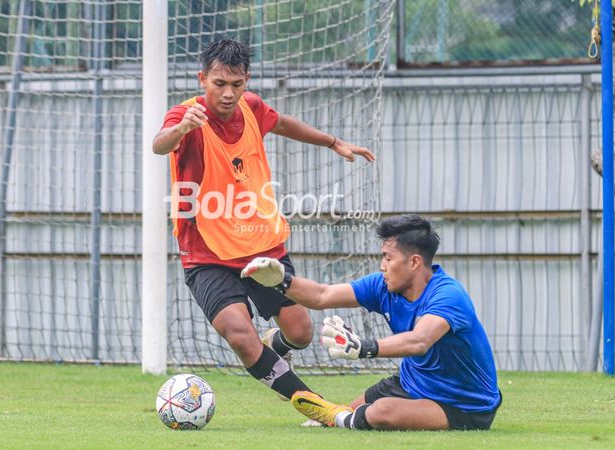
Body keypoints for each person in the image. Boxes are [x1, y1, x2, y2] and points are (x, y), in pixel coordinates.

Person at [151, 38, 374, 405]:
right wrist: (180, 130)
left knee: (301, 333)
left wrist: (332, 142)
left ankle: (274, 346)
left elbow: (282, 122)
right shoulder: (185, 116)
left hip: (261, 247)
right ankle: (316, 405)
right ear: (202, 78)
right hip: (207, 255)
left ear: (247, 81)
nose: (227, 93)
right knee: (241, 336)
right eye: (219, 84)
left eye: (236, 85)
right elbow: (159, 145)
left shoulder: (251, 108)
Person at [241, 214, 502, 431]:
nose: (382, 265)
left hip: (464, 404)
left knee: (379, 413)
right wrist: (281, 281)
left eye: (388, 258)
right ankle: (343, 417)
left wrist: (364, 347)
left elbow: (419, 340)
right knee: (358, 409)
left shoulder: (448, 294)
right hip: (411, 382)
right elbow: (322, 295)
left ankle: (338, 418)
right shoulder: (382, 286)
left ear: (414, 262)